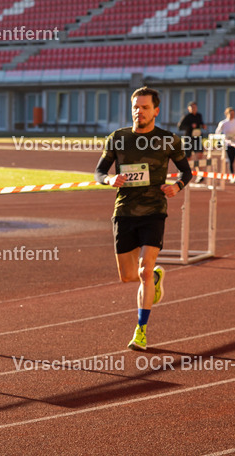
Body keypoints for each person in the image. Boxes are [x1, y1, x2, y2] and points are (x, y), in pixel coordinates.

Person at [95, 87, 191, 352]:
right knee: (128, 276)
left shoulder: (168, 140)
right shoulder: (118, 138)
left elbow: (186, 171)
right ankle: (155, 280)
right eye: (135, 107)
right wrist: (109, 179)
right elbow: (99, 171)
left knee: (144, 270)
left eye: (145, 107)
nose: (139, 112)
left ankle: (141, 331)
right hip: (124, 212)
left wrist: (177, 186)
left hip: (153, 211)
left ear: (156, 111)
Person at [215, 107, 235, 181]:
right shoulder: (223, 123)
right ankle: (232, 175)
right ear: (227, 114)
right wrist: (219, 141)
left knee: (232, 159)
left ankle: (228, 164)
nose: (232, 115)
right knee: (230, 159)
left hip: (234, 143)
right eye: (231, 114)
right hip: (226, 143)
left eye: (233, 114)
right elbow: (217, 132)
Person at [177, 102, 205, 183]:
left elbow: (201, 124)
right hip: (188, 139)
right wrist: (190, 126)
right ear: (188, 108)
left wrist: (203, 126)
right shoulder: (187, 117)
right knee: (188, 158)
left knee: (199, 156)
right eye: (192, 107)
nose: (194, 109)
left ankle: (200, 175)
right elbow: (180, 127)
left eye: (195, 107)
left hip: (197, 138)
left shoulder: (199, 115)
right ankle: (183, 174)